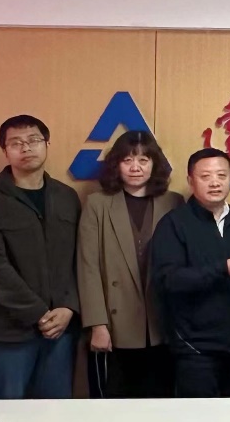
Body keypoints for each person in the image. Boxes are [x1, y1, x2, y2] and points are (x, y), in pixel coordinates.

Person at [0, 115, 81, 399]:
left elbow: (80, 258)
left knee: (54, 415)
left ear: (47, 144)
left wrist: (69, 306)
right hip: (8, 332)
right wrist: (38, 313)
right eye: (16, 143)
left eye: (33, 140)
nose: (26, 148)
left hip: (61, 330)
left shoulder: (67, 196)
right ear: (5, 151)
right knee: (3, 415)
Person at [78, 130, 183, 398]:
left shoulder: (173, 202)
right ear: (116, 165)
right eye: (127, 160)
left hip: (161, 323)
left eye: (143, 160)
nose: (136, 167)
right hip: (115, 326)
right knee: (114, 405)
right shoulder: (98, 204)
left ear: (155, 164)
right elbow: (88, 268)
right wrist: (98, 325)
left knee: (159, 405)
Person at [151, 148, 230, 398]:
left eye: (221, 175)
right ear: (190, 181)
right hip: (194, 347)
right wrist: (224, 268)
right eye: (205, 176)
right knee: (199, 418)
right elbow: (168, 280)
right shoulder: (173, 224)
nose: (215, 182)